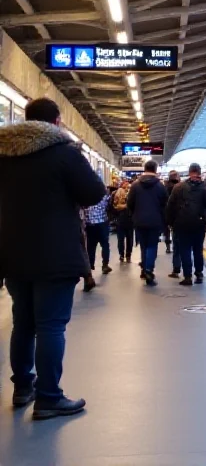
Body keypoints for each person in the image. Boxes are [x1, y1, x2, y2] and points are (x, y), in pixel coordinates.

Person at [0, 97, 106, 419]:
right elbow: (94, 193)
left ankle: (22, 388)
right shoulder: (64, 154)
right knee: (50, 326)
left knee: (24, 323)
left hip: (12, 253)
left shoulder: (4, 155)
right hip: (55, 255)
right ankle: (49, 397)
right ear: (57, 122)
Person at [166, 163, 206, 285]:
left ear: (189, 172)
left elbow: (170, 206)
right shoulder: (205, 189)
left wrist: (171, 223)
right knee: (198, 250)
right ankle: (199, 274)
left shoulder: (178, 187)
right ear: (199, 172)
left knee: (185, 250)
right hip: (198, 225)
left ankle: (187, 277)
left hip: (181, 225)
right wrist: (205, 221)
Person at [127, 160, 167, 286]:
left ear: (144, 169)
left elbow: (130, 203)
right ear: (155, 170)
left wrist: (135, 214)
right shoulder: (160, 186)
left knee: (143, 246)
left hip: (139, 221)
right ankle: (148, 269)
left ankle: (144, 269)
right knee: (152, 246)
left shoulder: (135, 185)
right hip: (155, 221)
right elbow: (165, 204)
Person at [83, 191, 112, 275]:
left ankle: (90, 266)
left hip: (90, 224)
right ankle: (105, 265)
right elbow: (108, 206)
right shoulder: (103, 196)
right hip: (102, 223)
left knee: (91, 247)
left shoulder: (85, 197)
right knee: (105, 245)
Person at [113, 179, 134, 263]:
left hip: (120, 219)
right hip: (129, 219)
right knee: (129, 238)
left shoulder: (115, 194)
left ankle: (121, 255)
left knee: (120, 239)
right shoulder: (131, 194)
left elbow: (113, 206)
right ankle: (128, 255)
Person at [163, 170, 180, 254]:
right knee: (175, 230)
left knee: (167, 231)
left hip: (166, 211)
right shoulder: (180, 186)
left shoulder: (165, 186)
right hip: (177, 213)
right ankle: (174, 246)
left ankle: (168, 247)